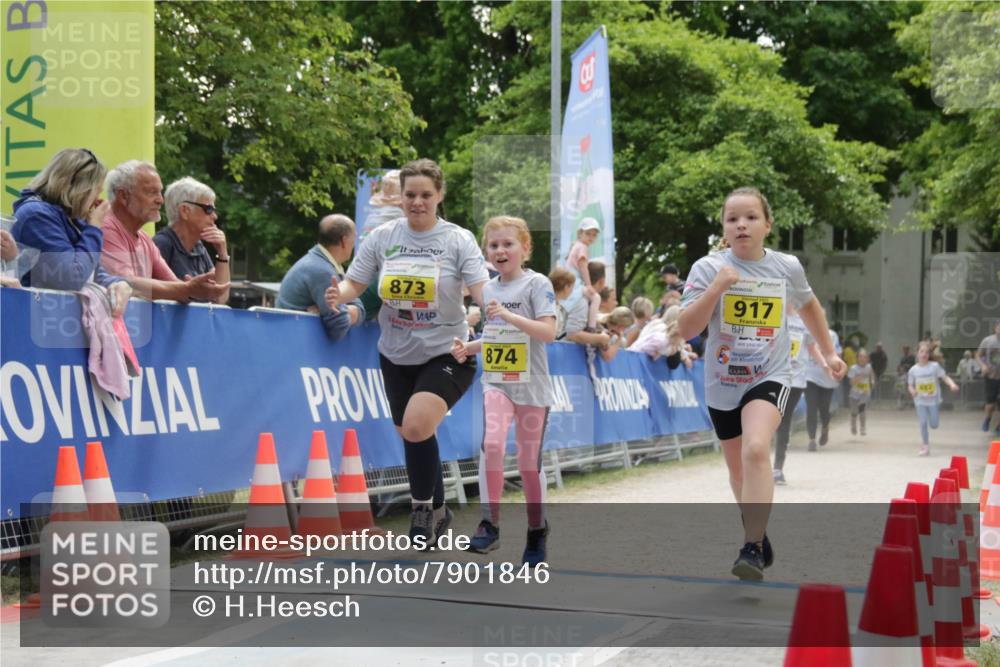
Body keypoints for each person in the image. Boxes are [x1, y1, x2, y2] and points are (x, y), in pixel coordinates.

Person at [678, 186, 845, 581]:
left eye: (750, 217)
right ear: (723, 227)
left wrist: (829, 353)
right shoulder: (707, 268)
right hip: (722, 380)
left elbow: (810, 308)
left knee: (756, 449)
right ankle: (757, 534)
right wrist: (718, 287)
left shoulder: (786, 267)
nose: (741, 225)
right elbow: (686, 329)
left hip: (770, 373)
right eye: (732, 218)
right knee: (738, 471)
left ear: (767, 225)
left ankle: (751, 548)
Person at [324, 158, 489, 549]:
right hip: (395, 352)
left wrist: (498, 307)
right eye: (410, 195)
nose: (417, 202)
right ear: (400, 197)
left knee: (416, 426)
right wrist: (338, 295)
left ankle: (421, 515)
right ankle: (440, 509)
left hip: (449, 351)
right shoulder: (383, 237)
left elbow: (482, 289)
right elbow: (354, 282)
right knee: (413, 432)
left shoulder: (457, 240)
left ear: (439, 196)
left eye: (426, 195)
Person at [451, 215, 556, 564]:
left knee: (528, 465)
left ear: (525, 248)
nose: (500, 250)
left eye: (508, 243)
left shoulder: (537, 284)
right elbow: (498, 335)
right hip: (497, 382)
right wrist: (471, 348)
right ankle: (489, 524)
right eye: (493, 245)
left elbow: (547, 333)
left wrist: (509, 316)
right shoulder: (489, 289)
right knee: (492, 445)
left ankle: (537, 530)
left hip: (532, 388)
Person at [10, 148, 131, 313]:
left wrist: (118, 284)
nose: (98, 201)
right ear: (81, 189)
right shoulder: (36, 215)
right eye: (96, 192)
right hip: (29, 322)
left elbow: (94, 273)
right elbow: (71, 278)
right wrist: (94, 227)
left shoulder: (69, 220)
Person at [101, 161, 227, 303]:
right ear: (123, 196)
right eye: (151, 192)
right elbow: (126, 284)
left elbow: (178, 287)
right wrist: (188, 289)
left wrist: (194, 289)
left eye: (160, 192)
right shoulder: (105, 228)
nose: (160, 200)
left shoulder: (145, 240)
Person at [276, 214, 364, 340]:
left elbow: (357, 306)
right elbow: (339, 327)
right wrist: (352, 311)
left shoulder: (321, 263)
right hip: (297, 345)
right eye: (354, 238)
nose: (355, 244)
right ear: (344, 241)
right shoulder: (323, 271)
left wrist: (342, 310)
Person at [153, 177, 231, 304]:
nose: (215, 216)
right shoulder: (161, 245)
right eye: (209, 209)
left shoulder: (199, 248)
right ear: (185, 211)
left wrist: (222, 253)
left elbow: (220, 299)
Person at [771, 303, 816, 486]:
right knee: (768, 420)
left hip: (796, 380)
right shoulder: (774, 315)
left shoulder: (806, 323)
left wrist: (828, 364)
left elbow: (812, 349)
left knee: (783, 420)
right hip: (773, 376)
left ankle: (778, 468)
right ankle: (756, 464)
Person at [909, 341, 960, 456]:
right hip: (920, 401)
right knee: (922, 423)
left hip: (933, 400)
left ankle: (932, 422)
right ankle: (925, 446)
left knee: (934, 425)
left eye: (927, 352)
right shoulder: (913, 370)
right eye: (921, 351)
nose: (924, 354)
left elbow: (945, 377)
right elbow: (910, 384)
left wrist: (952, 384)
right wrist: (912, 390)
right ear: (917, 353)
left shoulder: (934, 367)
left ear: (929, 354)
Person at [804, 328, 842, 451]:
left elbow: (838, 354)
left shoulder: (832, 335)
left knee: (824, 408)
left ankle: (825, 427)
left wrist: (837, 369)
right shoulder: (807, 333)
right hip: (810, 376)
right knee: (811, 407)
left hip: (827, 377)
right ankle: (812, 439)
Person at [564, 217, 602, 330]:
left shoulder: (576, 246)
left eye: (594, 235)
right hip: (575, 284)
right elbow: (583, 267)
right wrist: (589, 285)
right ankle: (592, 327)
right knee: (596, 298)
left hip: (570, 282)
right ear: (580, 233)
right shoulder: (583, 247)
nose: (591, 237)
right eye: (588, 233)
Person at [562, 261, 611, 349]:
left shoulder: (586, 300)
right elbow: (572, 334)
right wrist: (600, 338)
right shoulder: (582, 301)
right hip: (565, 355)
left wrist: (602, 334)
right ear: (602, 281)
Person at [977, 322, 1000, 433]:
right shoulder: (988, 341)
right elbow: (977, 355)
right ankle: (987, 418)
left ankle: (999, 427)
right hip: (990, 376)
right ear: (995, 328)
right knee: (990, 404)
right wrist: (983, 366)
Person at [848, 348, 875, 437]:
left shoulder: (869, 367)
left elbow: (871, 375)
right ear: (857, 358)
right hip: (854, 394)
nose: (862, 359)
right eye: (860, 356)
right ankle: (853, 425)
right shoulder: (853, 368)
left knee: (862, 409)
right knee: (854, 412)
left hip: (865, 393)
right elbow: (851, 382)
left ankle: (863, 428)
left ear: (867, 358)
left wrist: (872, 381)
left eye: (865, 357)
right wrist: (859, 377)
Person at [548, 267, 575, 340]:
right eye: (572, 287)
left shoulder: (552, 303)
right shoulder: (551, 306)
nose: (572, 291)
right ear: (566, 287)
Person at [896, 344, 916, 409]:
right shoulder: (903, 357)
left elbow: (913, 365)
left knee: (908, 389)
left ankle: (908, 403)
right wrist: (899, 370)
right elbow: (900, 366)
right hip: (903, 375)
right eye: (903, 349)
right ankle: (900, 403)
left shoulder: (912, 357)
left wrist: (907, 366)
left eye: (905, 349)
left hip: (910, 374)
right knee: (900, 389)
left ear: (908, 349)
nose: (904, 351)